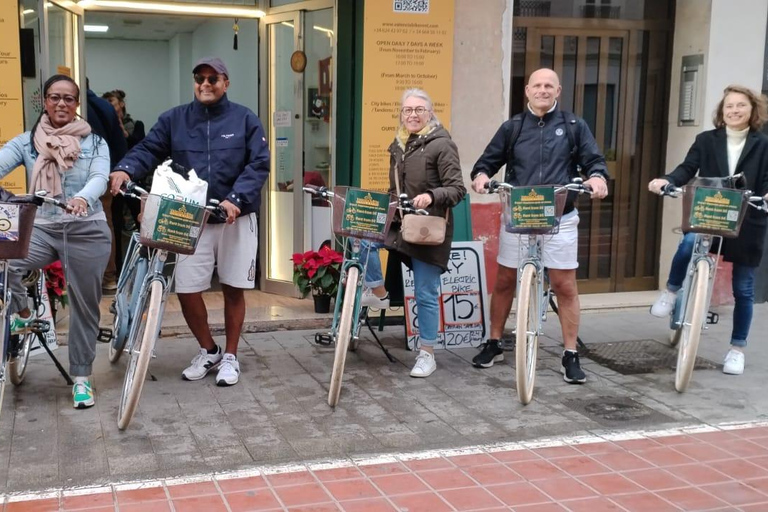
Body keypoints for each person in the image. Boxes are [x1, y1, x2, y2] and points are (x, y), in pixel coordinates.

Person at [110, 57, 270, 387]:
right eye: (200, 78)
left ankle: (230, 356)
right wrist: (126, 168)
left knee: (233, 288)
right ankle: (208, 349)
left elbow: (258, 163)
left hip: (234, 218)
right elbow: (149, 148)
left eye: (213, 78)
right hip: (189, 218)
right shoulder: (174, 120)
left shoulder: (245, 119)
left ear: (226, 83)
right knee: (186, 290)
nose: (206, 84)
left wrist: (235, 199)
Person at [470, 68, 609, 383]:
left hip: (560, 217)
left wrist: (597, 177)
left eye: (549, 85)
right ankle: (494, 341)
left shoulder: (574, 126)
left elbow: (594, 161)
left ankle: (570, 353)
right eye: (537, 85)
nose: (543, 90)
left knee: (564, 286)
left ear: (558, 90)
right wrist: (481, 176)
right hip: (518, 215)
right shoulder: (513, 127)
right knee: (505, 281)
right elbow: (486, 162)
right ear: (528, 91)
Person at [0, 74, 111, 409]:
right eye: (54, 97)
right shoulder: (26, 141)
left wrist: (82, 198)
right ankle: (21, 312)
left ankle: (80, 378)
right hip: (42, 229)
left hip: (86, 229)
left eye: (68, 98)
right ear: (44, 102)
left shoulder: (95, 143)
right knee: (6, 262)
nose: (61, 104)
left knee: (84, 306)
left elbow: (99, 176)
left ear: (77, 104)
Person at [648, 85, 768, 376]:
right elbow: (687, 168)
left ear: (752, 111)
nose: (734, 111)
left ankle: (736, 349)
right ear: (721, 111)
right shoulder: (706, 140)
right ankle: (671, 291)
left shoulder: (763, 144)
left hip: (747, 219)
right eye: (729, 106)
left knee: (744, 288)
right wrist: (666, 180)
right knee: (688, 243)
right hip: (710, 212)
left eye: (741, 106)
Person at [385, 88, 466, 378]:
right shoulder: (399, 144)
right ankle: (377, 290)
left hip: (427, 228)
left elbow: (457, 189)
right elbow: (394, 186)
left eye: (419, 109)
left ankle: (427, 353)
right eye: (408, 110)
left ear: (430, 113)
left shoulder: (442, 144)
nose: (413, 115)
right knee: (364, 239)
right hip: (401, 221)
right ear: (401, 114)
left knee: (425, 293)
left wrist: (431, 196)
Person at [86, 80, 127, 293]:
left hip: (92, 176)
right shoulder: (103, 107)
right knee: (105, 223)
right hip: (105, 175)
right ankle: (109, 276)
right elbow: (119, 143)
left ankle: (101, 276)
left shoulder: (85, 106)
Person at [102, 89, 145, 263]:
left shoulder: (137, 125)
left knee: (143, 220)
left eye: (112, 102)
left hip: (135, 181)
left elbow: (140, 145)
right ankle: (118, 265)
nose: (110, 106)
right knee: (116, 222)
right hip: (115, 181)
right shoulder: (107, 127)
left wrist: (122, 132)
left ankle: (148, 259)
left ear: (121, 104)